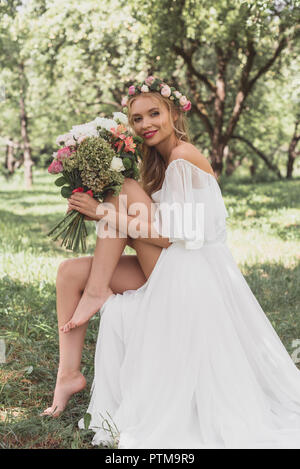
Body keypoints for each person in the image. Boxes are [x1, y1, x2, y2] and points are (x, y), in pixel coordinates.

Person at [42, 76, 300, 449]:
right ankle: (68, 375)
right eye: (137, 119)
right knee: (68, 273)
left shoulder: (182, 156)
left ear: (173, 113)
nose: (146, 124)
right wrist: (103, 210)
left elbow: (174, 234)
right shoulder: (158, 162)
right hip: (172, 263)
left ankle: (97, 290)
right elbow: (141, 230)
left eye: (154, 114)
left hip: (190, 269)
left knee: (121, 189)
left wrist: (103, 210)